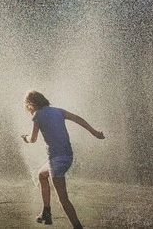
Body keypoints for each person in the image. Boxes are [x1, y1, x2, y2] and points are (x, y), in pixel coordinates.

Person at [21, 90, 105, 228]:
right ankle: (46, 212)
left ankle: (78, 227)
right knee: (41, 175)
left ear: (31, 105)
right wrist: (94, 132)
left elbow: (33, 139)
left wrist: (25, 138)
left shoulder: (37, 115)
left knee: (63, 200)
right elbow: (79, 119)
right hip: (68, 157)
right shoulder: (58, 111)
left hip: (56, 161)